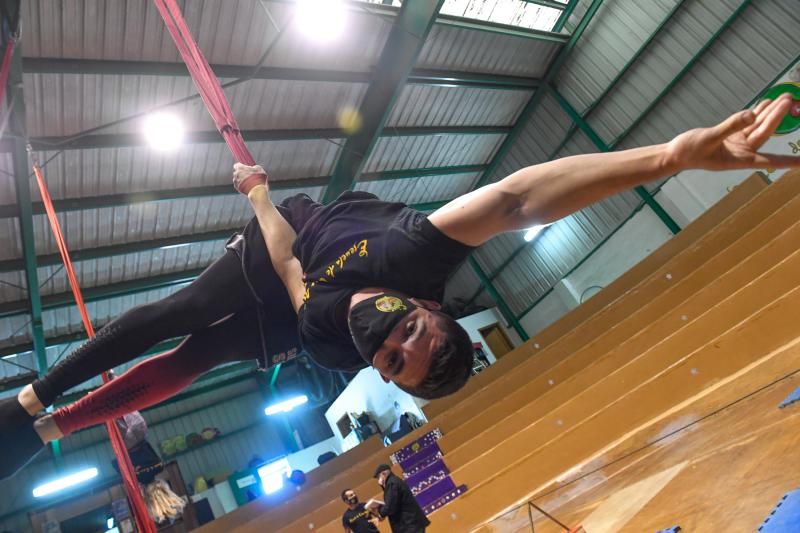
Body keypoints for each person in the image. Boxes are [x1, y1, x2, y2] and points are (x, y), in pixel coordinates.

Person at [0, 95, 796, 480]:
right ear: (426, 307)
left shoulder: (329, 340)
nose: (397, 340)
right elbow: (519, 198)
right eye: (416, 333)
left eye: (396, 359)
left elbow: (289, 281)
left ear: (380, 372)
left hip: (294, 297)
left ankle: (55, 428)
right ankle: (35, 401)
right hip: (299, 233)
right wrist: (668, 159)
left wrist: (263, 216)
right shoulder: (414, 255)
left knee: (194, 360)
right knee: (184, 309)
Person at [368, 464, 429, 533]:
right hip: (411, 523)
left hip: (409, 524)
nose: (378, 480)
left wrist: (380, 513)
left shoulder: (391, 483)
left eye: (378, 477)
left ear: (384, 474)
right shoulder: (395, 481)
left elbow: (390, 506)